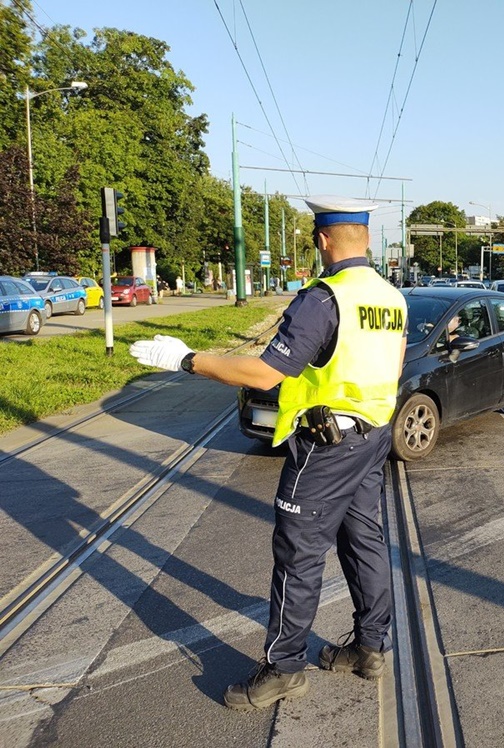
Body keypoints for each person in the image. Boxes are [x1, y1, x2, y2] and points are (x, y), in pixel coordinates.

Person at [129, 197, 407, 711]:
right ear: (366, 239)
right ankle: (371, 649)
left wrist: (187, 359)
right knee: (364, 542)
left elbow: (263, 375)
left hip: (327, 450)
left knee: (298, 556)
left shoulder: (324, 300)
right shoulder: (391, 297)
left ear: (323, 241)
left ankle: (284, 668)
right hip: (372, 437)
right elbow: (390, 368)